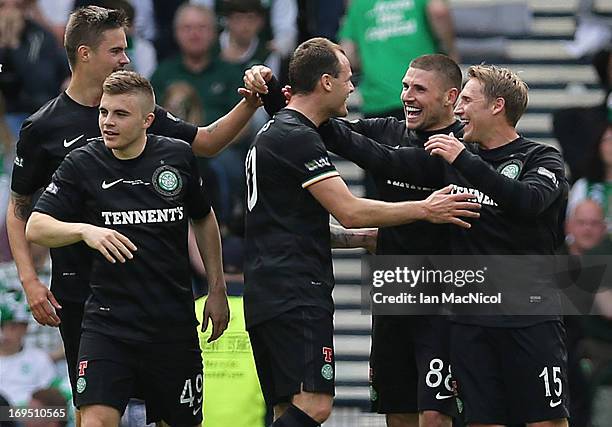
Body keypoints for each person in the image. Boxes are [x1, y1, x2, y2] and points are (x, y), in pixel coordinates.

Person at [6, 5, 258, 424]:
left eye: (126, 49)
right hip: (81, 296)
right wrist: (30, 281)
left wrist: (250, 103)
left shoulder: (148, 118)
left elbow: (209, 143)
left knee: (151, 412)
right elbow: (20, 212)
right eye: (117, 50)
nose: (126, 57)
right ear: (85, 54)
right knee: (99, 413)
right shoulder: (44, 127)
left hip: (154, 295)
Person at [309, 64, 569, 427]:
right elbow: (382, 158)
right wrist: (293, 104)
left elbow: (526, 202)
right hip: (469, 319)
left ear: (496, 106)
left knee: (546, 421)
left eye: (466, 99)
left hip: (530, 315)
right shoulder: (449, 159)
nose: (458, 110)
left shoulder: (540, 158)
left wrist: (463, 159)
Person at [243, 37, 480, 427]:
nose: (407, 96)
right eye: (405, 86)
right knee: (396, 413)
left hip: (440, 300)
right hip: (391, 293)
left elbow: (373, 155)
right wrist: (278, 96)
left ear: (450, 97)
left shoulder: (460, 151)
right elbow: (328, 130)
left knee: (435, 417)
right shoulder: (384, 129)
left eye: (419, 89)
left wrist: (287, 103)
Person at [25, 70, 229, 427]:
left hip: (171, 324)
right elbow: (36, 226)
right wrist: (86, 231)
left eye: (120, 114)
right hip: (107, 323)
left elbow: (204, 218)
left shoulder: (177, 157)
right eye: (104, 112)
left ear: (148, 120)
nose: (107, 122)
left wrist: (217, 289)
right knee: (95, 420)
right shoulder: (81, 163)